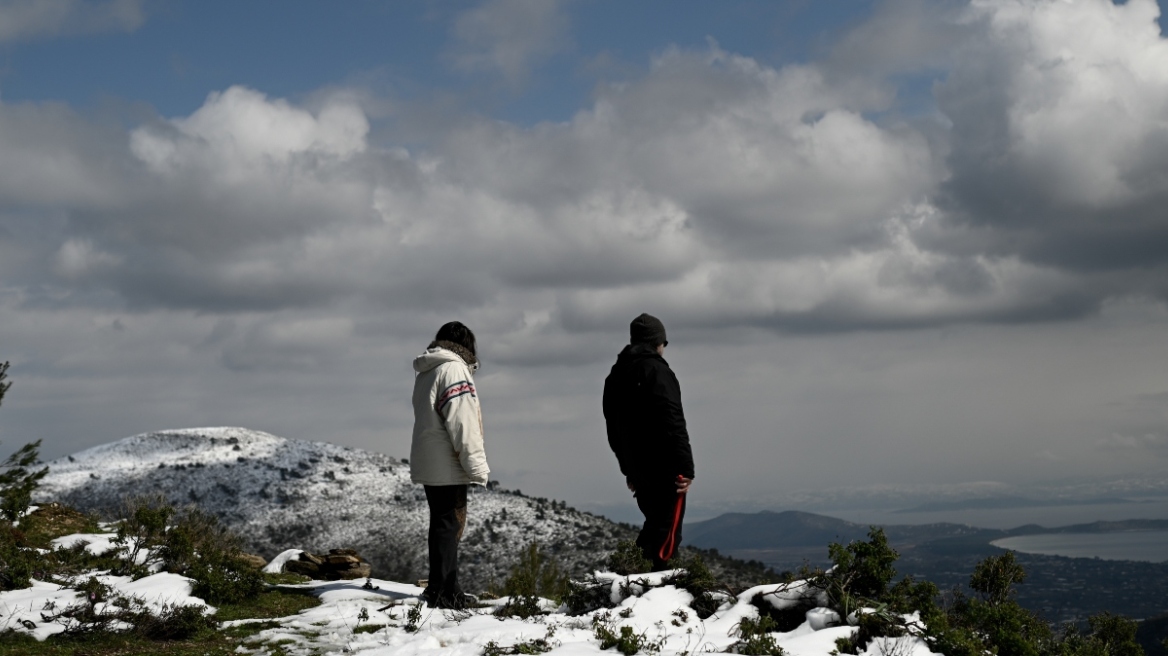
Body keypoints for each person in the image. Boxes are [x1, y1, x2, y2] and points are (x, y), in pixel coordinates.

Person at [603, 313, 695, 570]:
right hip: (665, 468)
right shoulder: (657, 370)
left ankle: (628, 579)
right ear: (658, 342)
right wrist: (686, 469)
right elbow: (673, 420)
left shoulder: (615, 376)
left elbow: (614, 429)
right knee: (667, 536)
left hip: (637, 470)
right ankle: (653, 592)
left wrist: (629, 470)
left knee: (655, 526)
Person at [410, 321, 489, 608]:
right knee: (450, 524)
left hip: (430, 458)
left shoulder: (428, 369)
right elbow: (463, 424)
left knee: (441, 524)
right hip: (448, 460)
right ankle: (443, 593)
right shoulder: (454, 370)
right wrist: (477, 467)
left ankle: (445, 588)